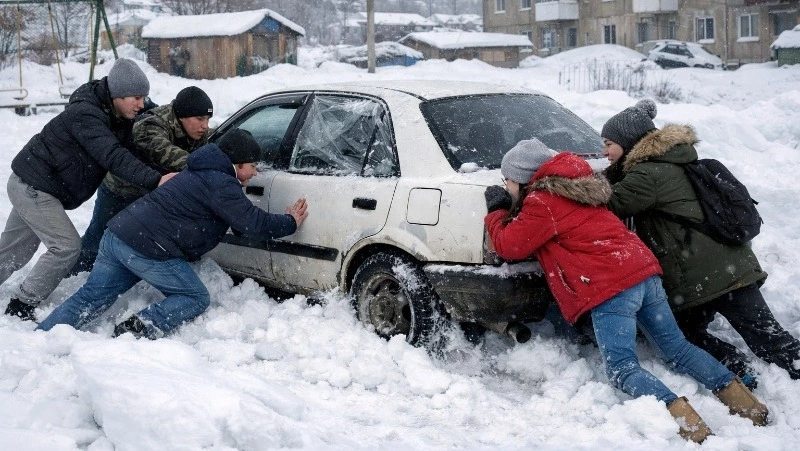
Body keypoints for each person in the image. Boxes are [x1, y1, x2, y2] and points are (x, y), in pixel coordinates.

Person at [484, 139, 768, 443]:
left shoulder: (543, 202)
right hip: (643, 272)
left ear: (524, 178)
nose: (506, 184)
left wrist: (497, 211)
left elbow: (510, 245)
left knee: (622, 369)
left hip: (611, 286)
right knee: (677, 349)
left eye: (509, 179)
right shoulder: (577, 186)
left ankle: (690, 426)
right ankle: (748, 407)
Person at [37, 129, 308, 339]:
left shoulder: (203, 172)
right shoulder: (221, 182)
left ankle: (43, 337)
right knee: (195, 297)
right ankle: (135, 331)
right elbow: (253, 224)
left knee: (91, 298)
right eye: (252, 165)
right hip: (148, 248)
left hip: (119, 235)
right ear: (237, 165)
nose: (255, 171)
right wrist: (290, 222)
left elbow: (238, 220)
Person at [602, 99, 800, 384]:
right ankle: (747, 367)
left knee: (681, 337)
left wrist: (565, 183)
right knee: (767, 338)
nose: (604, 151)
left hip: (702, 279)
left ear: (628, 142)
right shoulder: (672, 160)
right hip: (732, 267)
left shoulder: (647, 175)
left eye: (609, 143)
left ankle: (737, 367)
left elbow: (608, 202)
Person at [1, 58, 175, 322]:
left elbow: (132, 152)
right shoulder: (86, 114)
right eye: (137, 98)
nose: (141, 104)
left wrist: (165, 173)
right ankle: (22, 305)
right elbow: (113, 156)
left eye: (144, 97)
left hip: (38, 185)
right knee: (66, 247)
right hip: (32, 186)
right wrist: (156, 181)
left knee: (16, 249)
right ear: (117, 94)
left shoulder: (117, 115)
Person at [70, 86, 215, 275]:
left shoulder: (198, 131)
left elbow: (217, 141)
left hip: (150, 193)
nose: (205, 125)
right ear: (182, 117)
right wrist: (208, 167)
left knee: (141, 243)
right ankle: (73, 275)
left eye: (208, 120)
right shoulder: (151, 123)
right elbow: (163, 151)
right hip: (120, 191)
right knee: (96, 239)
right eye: (200, 119)